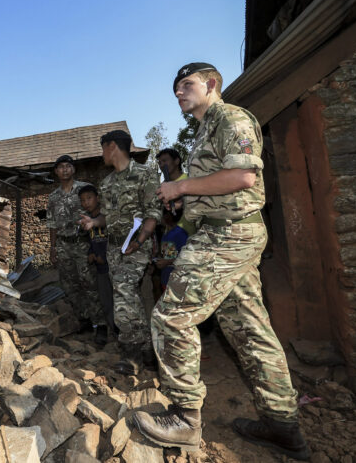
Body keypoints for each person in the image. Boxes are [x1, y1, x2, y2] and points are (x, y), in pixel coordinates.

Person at [132, 63, 309, 460]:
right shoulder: (204, 132)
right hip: (223, 231)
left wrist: (181, 185)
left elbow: (244, 177)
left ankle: (185, 419)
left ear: (211, 84)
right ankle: (283, 426)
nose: (179, 92)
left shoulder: (230, 117)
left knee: (171, 316)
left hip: (228, 234)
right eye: (175, 88)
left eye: (186, 84)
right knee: (248, 328)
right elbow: (217, 183)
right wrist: (186, 199)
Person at [79, 130, 161, 375]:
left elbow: (153, 213)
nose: (101, 153)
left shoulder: (145, 174)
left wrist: (141, 239)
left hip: (137, 245)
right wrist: (93, 223)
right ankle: (148, 350)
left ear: (112, 146)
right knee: (126, 297)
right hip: (114, 248)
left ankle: (132, 353)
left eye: (103, 147)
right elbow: (109, 217)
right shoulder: (107, 183)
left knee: (124, 294)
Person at [47, 155, 105, 332]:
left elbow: (98, 213)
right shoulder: (53, 197)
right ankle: (84, 320)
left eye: (68, 166)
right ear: (56, 172)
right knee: (70, 286)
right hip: (64, 246)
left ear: (73, 169)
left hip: (83, 244)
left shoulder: (85, 190)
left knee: (90, 283)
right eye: (61, 167)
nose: (64, 170)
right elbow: (52, 225)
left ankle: (101, 324)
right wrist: (52, 248)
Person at [78, 184, 115, 346]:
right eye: (83, 200)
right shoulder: (86, 220)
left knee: (117, 300)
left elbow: (113, 240)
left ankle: (120, 331)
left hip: (112, 266)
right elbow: (92, 241)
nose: (86, 202)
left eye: (89, 198)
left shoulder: (105, 216)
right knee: (105, 300)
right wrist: (91, 254)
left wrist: (104, 256)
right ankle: (112, 330)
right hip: (100, 268)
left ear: (97, 198)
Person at [154, 208, 188, 293]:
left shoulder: (179, 233)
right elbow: (168, 254)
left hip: (177, 280)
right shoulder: (166, 233)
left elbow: (186, 256)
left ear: (167, 216)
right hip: (166, 279)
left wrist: (167, 262)